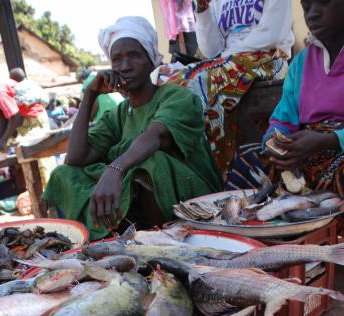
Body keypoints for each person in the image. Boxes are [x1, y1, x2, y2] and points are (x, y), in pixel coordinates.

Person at [42, 16, 222, 240]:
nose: (125, 66)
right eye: (116, 59)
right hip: (140, 198)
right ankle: (118, 235)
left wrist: (115, 169)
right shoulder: (119, 114)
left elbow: (155, 136)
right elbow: (75, 159)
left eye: (134, 55)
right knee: (63, 174)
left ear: (151, 61)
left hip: (192, 197)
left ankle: (162, 241)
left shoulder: (176, 96)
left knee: (150, 162)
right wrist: (90, 95)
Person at [227, 0, 344, 197]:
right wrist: (276, 143)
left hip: (336, 151)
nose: (312, 14)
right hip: (304, 151)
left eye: (323, 3)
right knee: (246, 158)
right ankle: (246, 222)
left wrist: (330, 140)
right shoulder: (301, 63)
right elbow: (283, 119)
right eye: (306, 6)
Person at [161, 0, 294, 173]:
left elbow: (271, 35)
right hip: (226, 62)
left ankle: (216, 168)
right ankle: (185, 161)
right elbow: (211, 49)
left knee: (202, 80)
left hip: (268, 58)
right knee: (169, 79)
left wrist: (223, 60)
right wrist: (203, 11)